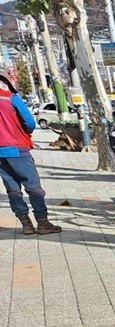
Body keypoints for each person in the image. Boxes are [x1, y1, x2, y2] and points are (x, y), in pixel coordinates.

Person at [0, 75, 61, 235]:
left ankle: (26, 225)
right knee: (33, 187)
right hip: (16, 148)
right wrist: (23, 132)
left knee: (13, 189)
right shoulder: (10, 98)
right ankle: (43, 223)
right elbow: (29, 122)